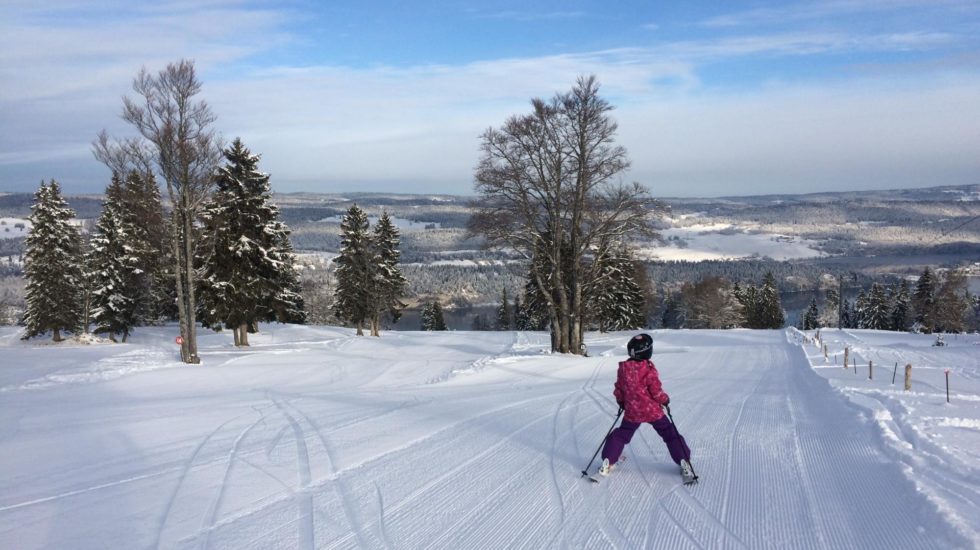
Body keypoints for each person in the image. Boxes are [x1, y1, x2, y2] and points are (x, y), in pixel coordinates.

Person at [597, 333, 694, 482]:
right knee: (669, 433)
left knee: (621, 434)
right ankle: (683, 459)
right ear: (647, 352)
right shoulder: (648, 369)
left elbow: (619, 388)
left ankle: (608, 460)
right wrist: (665, 400)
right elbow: (656, 391)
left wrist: (621, 401)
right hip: (652, 411)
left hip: (633, 412)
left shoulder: (623, 369)